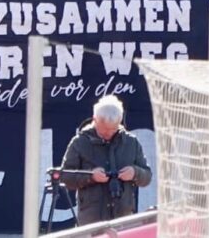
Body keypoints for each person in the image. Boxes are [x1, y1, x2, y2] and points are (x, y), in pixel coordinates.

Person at [58, 95, 153, 225]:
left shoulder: (131, 142)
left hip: (123, 219)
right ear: (95, 119)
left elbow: (147, 177)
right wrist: (91, 176)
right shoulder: (80, 142)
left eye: (113, 129)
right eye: (104, 130)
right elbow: (65, 176)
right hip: (91, 222)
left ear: (120, 122)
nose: (108, 133)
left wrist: (135, 173)